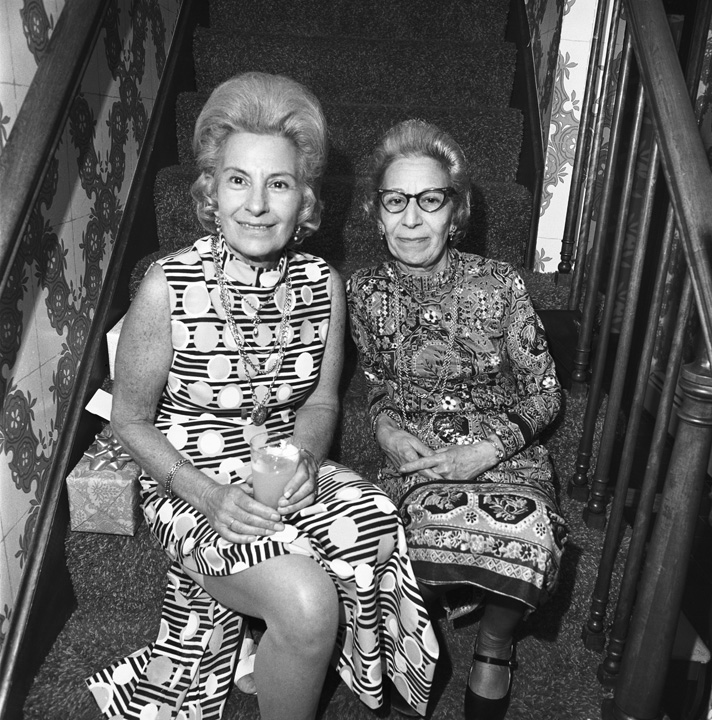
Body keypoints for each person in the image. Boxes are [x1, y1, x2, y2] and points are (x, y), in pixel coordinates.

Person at [86, 74, 438, 720]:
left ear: (304, 198)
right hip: (189, 485)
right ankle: (281, 631)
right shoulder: (168, 285)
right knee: (308, 603)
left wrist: (304, 459)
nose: (256, 204)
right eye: (238, 180)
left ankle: (273, 649)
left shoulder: (325, 284)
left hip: (278, 474)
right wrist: (209, 495)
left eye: (278, 184)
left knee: (378, 519)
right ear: (210, 191)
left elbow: (323, 403)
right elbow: (128, 420)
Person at [346, 120, 568, 720]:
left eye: (430, 200)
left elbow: (547, 396)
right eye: (396, 202)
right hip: (416, 458)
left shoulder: (499, 285)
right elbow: (375, 386)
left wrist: (488, 449)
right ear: (378, 213)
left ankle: (494, 639)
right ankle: (427, 620)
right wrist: (386, 430)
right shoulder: (362, 291)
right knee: (372, 546)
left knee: (530, 535)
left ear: (456, 211)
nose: (412, 220)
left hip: (503, 455)